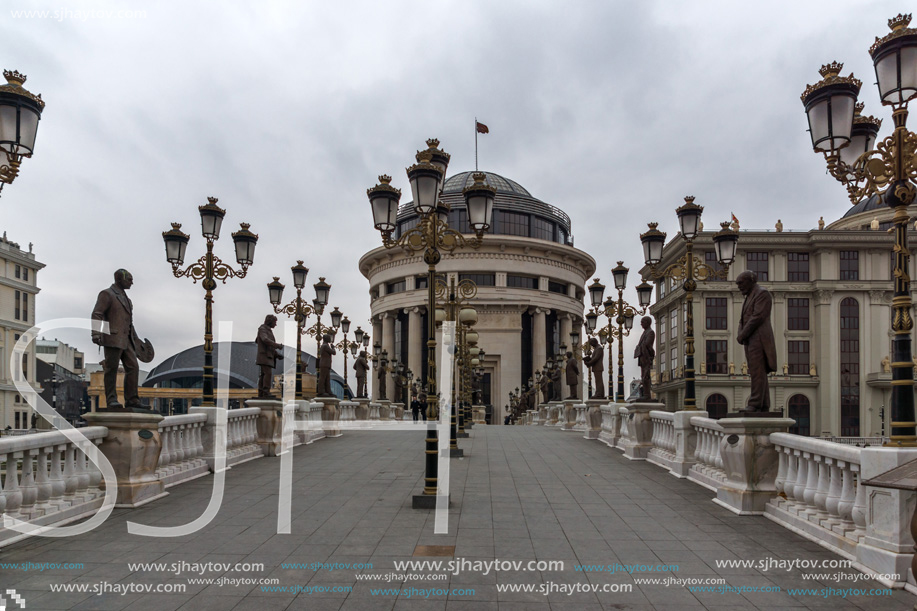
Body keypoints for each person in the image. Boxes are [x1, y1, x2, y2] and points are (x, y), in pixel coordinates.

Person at [91, 269, 153, 410]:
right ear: (120, 279)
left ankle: (132, 400)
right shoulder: (107, 294)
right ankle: (111, 399)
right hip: (112, 337)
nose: (132, 282)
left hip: (127, 340)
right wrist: (95, 333)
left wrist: (136, 341)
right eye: (129, 279)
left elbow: (129, 323)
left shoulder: (127, 300)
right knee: (111, 369)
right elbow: (97, 313)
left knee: (133, 367)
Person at [736, 271, 777, 411]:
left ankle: (755, 403)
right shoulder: (749, 296)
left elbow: (757, 317)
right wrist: (740, 333)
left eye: (741, 283)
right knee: (757, 371)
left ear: (751, 280)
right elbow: (742, 319)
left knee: (758, 371)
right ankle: (763, 404)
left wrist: (743, 334)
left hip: (759, 337)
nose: (738, 286)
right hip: (750, 338)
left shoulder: (762, 294)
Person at [255, 315, 284, 398]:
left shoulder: (267, 330)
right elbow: (265, 340)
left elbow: (269, 346)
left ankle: (262, 392)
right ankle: (265, 392)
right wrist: (277, 345)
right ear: (270, 321)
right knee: (267, 373)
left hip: (267, 356)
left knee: (264, 374)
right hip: (264, 356)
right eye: (275, 322)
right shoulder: (262, 329)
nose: (276, 324)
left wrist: (277, 355)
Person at [634, 316, 656, 401]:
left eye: (642, 322)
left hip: (646, 356)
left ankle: (647, 395)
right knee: (643, 375)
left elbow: (647, 344)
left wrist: (651, 354)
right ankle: (645, 394)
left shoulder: (650, 332)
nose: (641, 324)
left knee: (646, 376)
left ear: (647, 322)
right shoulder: (645, 332)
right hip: (643, 356)